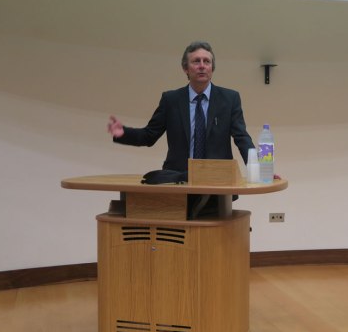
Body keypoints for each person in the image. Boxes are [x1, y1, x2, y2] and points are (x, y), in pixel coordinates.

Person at [107, 41, 255, 217]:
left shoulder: (229, 99)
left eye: (206, 61)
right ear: (186, 68)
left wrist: (259, 169)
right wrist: (123, 133)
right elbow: (149, 135)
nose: (202, 66)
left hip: (217, 184)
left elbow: (242, 137)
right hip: (177, 181)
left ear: (212, 68)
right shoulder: (171, 100)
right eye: (196, 61)